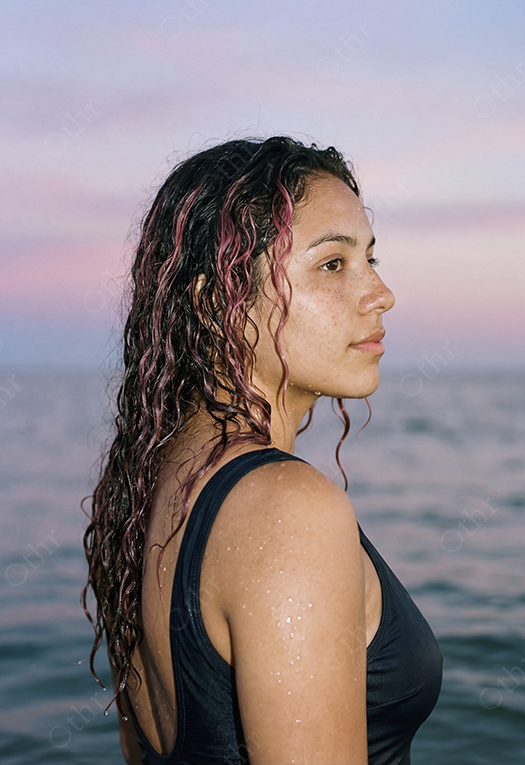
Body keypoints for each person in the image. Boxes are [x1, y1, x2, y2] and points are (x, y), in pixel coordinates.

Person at [83, 136, 442, 765]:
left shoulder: (140, 491)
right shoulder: (288, 511)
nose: (381, 293)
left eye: (372, 258)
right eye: (333, 264)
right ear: (217, 303)